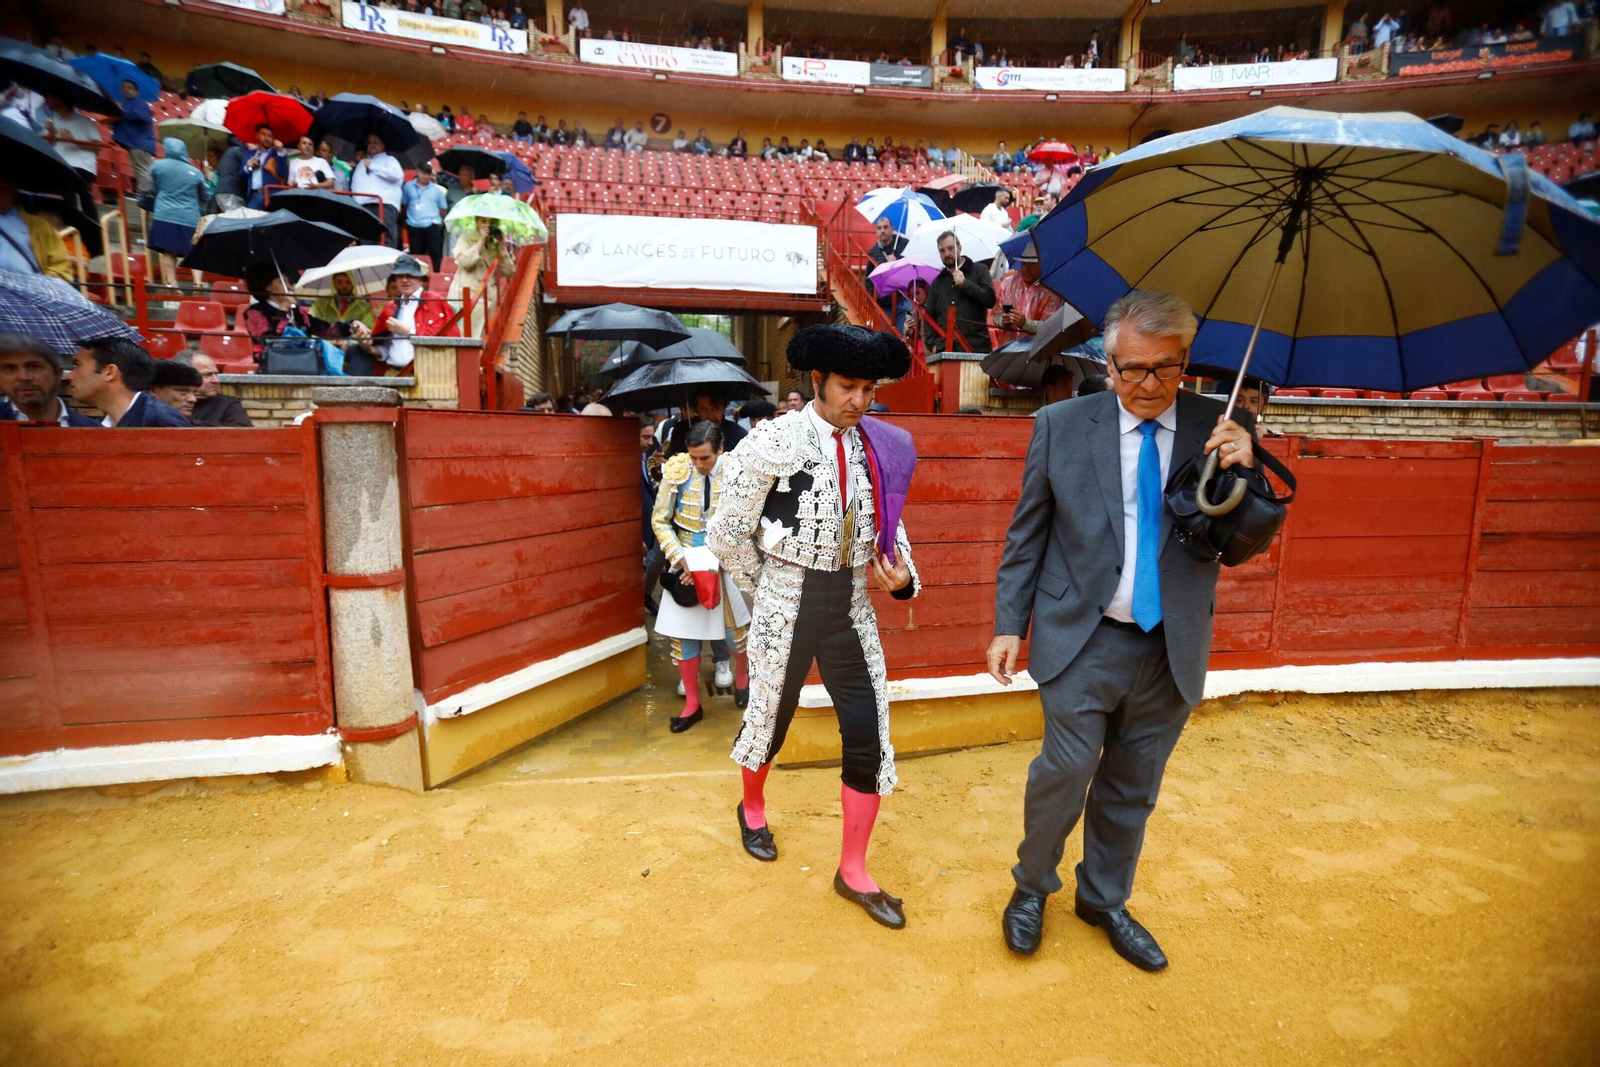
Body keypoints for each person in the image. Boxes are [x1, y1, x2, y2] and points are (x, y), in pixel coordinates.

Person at [990, 289, 1265, 971]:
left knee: (1134, 782)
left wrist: (1247, 471)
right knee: (1068, 767)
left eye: (1164, 369)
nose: (1147, 385)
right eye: (1131, 369)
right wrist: (1006, 624)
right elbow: (1027, 535)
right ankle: (1032, 884)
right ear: (1106, 362)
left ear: (1186, 363)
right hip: (1079, 634)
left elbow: (1241, 546)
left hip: (1170, 642)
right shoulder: (1060, 424)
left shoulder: (1222, 425)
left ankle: (1104, 897)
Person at [706, 323, 920, 929]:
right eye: (848, 387)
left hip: (852, 605)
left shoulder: (881, 444)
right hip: (786, 601)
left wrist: (902, 578)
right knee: (768, 718)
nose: (860, 400)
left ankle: (853, 870)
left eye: (869, 389)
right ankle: (751, 807)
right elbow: (726, 534)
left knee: (868, 734)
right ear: (817, 381)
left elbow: (890, 528)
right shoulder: (770, 442)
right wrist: (766, 590)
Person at [652, 420, 753, 731]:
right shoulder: (678, 470)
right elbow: (660, 520)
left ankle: (742, 677)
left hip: (726, 560)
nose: (698, 464)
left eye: (705, 458)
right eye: (693, 458)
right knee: (684, 638)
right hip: (685, 558)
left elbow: (748, 520)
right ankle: (692, 704)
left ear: (720, 450)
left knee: (738, 633)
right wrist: (681, 562)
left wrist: (719, 559)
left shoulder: (738, 470)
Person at [348, 254, 460, 375]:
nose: (405, 280)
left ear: (420, 278)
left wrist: (408, 332)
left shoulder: (437, 302)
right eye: (400, 276)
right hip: (393, 373)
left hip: (430, 376)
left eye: (410, 275)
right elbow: (385, 349)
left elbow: (451, 342)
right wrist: (368, 347)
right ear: (395, 280)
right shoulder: (390, 307)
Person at [70, 339, 191, 427]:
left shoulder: (161, 423)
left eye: (77, 365)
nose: (69, 376)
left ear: (109, 372)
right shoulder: (101, 425)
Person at [242, 264, 340, 366]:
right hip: (273, 365)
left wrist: (351, 327)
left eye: (288, 282)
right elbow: (270, 341)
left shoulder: (297, 311)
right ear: (268, 287)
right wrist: (282, 310)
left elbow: (323, 329)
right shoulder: (254, 312)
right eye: (282, 282)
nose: (289, 286)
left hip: (304, 362)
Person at [145, 136, 208, 293]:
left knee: (168, 250)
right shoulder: (196, 172)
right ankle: (198, 284)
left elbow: (153, 189)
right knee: (194, 252)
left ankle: (172, 283)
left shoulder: (157, 166)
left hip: (164, 214)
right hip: (190, 217)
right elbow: (205, 195)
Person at [0, 334, 101, 425]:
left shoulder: (94, 431)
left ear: (58, 374)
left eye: (34, 367)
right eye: (10, 369)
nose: (24, 377)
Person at [924, 231, 997, 354]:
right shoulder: (937, 282)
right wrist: (933, 345)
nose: (947, 254)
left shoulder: (980, 270)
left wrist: (965, 284)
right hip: (946, 350)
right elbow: (929, 317)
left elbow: (990, 300)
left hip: (976, 347)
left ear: (960, 247)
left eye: (951, 248)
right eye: (942, 251)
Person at [448, 216, 514, 337]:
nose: (487, 225)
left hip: (488, 299)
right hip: (467, 296)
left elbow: (509, 272)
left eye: (491, 222)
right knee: (464, 339)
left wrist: (502, 246)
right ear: (476, 222)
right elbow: (464, 262)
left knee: (482, 342)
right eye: (483, 221)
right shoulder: (466, 238)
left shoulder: (495, 245)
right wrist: (481, 241)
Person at [0, 174, 72, 281]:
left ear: (14, 193)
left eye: (2, 189)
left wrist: (43, 285)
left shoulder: (40, 226)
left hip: (30, 290)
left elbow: (61, 267)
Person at [991, 244, 1064, 348]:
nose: (1027, 269)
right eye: (1024, 264)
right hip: (1008, 349)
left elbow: (1050, 326)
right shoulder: (1008, 284)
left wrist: (1025, 324)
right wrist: (1003, 320)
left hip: (1036, 351)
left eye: (1032, 265)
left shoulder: (1051, 291)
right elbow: (996, 315)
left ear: (1041, 265)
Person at [660, 388, 748, 457]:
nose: (710, 415)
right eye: (704, 409)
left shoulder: (738, 435)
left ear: (724, 407)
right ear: (696, 409)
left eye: (715, 409)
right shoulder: (681, 430)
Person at [37, 93, 102, 185]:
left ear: (60, 98)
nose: (45, 99)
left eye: (49, 96)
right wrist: (51, 133)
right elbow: (45, 147)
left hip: (80, 168)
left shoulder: (86, 121)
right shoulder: (51, 121)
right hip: (57, 166)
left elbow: (98, 147)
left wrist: (73, 140)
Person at [175, 349, 252, 426]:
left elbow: (244, 433)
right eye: (207, 375)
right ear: (185, 375)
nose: (216, 380)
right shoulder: (169, 401)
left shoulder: (227, 405)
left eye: (216, 374)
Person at [353, 133, 404, 245]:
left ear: (383, 145)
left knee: (384, 240)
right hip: (364, 207)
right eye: (370, 143)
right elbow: (355, 185)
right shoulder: (362, 163)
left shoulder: (390, 160)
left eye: (375, 142)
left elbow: (397, 175)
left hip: (384, 205)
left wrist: (372, 167)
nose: (372, 145)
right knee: (366, 242)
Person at [111, 79, 156, 194]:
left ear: (137, 91)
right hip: (135, 143)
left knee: (142, 169)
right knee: (139, 169)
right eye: (124, 87)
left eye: (130, 87)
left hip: (140, 143)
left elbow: (141, 117)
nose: (126, 89)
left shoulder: (139, 103)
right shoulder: (128, 104)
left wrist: (121, 111)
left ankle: (145, 195)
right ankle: (144, 194)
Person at [865, 214, 910, 327]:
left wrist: (897, 262)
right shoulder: (873, 250)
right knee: (887, 337)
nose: (882, 231)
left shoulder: (903, 244)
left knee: (902, 337)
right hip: (884, 302)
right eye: (879, 228)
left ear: (892, 229)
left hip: (902, 299)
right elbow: (869, 277)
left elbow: (911, 268)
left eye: (885, 227)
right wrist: (875, 296)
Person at [402, 165, 449, 267]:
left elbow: (443, 209)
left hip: (432, 224)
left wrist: (438, 221)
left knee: (435, 253)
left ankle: (436, 275)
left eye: (429, 174)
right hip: (414, 224)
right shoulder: (408, 187)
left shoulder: (437, 190)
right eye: (424, 173)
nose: (426, 177)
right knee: (417, 254)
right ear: (418, 172)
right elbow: (405, 204)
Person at [309, 271, 377, 333]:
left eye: (348, 282)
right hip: (325, 343)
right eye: (339, 282)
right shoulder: (321, 303)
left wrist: (347, 343)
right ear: (334, 283)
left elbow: (368, 328)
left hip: (353, 344)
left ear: (353, 284)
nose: (343, 286)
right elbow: (311, 323)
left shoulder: (365, 307)